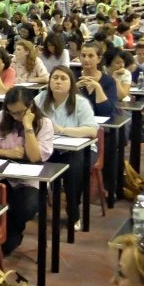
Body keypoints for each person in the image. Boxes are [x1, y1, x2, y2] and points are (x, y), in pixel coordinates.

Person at [0, 86, 54, 255]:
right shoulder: (1, 117)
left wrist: (28, 125)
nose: (16, 117)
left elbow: (35, 157)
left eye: (20, 112)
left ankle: (11, 233)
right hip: (1, 174)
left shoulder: (44, 124)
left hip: (29, 178)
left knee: (27, 206)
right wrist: (8, 153)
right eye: (12, 112)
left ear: (30, 107)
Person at [34, 66, 98, 230]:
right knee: (31, 160)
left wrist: (62, 130)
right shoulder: (40, 99)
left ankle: (73, 212)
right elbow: (29, 120)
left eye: (63, 78)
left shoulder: (80, 102)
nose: (58, 81)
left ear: (71, 83)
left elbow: (92, 131)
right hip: (51, 148)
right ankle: (36, 205)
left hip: (81, 150)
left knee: (73, 169)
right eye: (55, 78)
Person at [74, 44, 117, 117]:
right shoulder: (72, 78)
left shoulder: (109, 81)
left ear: (99, 59)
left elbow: (106, 112)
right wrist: (74, 88)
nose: (86, 59)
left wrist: (98, 87)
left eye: (90, 56)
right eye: (83, 56)